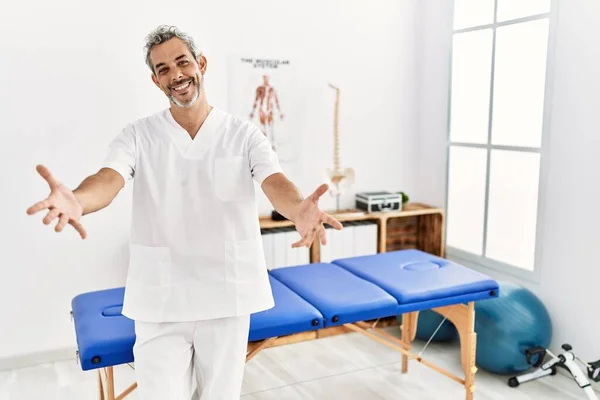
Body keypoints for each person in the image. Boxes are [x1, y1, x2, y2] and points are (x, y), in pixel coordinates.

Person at [26, 25, 342, 400]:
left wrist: (299, 209)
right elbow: (108, 179)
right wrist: (78, 200)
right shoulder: (139, 136)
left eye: (182, 62)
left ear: (200, 64)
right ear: (155, 80)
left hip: (226, 294)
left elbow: (276, 183)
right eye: (163, 69)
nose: (175, 75)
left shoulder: (244, 135)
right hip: (162, 299)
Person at [249, 74, 284, 150]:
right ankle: (265, 145)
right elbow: (256, 100)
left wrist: (280, 112)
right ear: (263, 78)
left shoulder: (272, 89)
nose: (266, 79)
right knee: (263, 128)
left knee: (271, 127)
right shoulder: (260, 89)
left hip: (270, 110)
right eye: (265, 77)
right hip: (262, 110)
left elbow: (276, 101)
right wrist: (252, 112)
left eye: (267, 77)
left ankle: (273, 143)